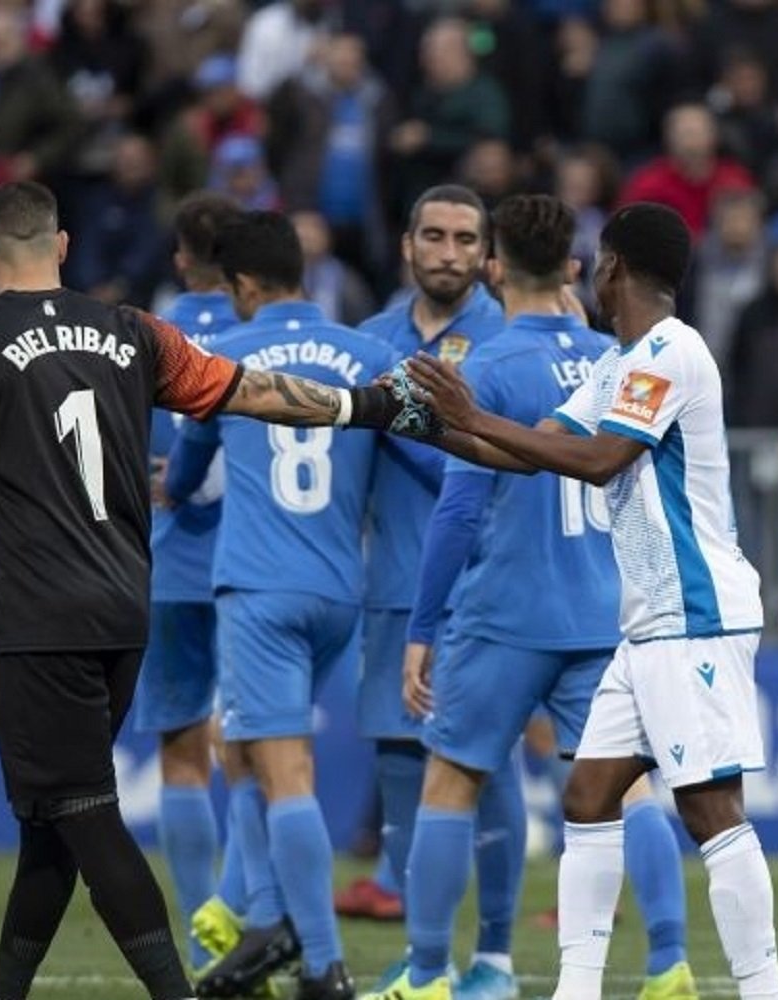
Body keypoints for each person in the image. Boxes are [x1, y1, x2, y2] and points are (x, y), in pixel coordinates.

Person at [0, 182, 424, 1000]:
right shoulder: (132, 331)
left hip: (35, 617)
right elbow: (252, 389)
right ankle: (3, 993)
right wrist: (367, 403)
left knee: (84, 815)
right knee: (51, 821)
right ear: (62, 246)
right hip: (120, 609)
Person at [406, 202, 778, 1000]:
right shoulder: (620, 360)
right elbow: (525, 449)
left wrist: (472, 412)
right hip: (643, 625)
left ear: (611, 267)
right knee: (587, 795)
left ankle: (763, 989)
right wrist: (420, 420)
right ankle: (577, 987)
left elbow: (601, 459)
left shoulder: (671, 354)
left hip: (694, 614)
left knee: (709, 808)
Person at [369, 194, 699, 1000]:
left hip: (505, 612)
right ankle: (667, 965)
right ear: (575, 269)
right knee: (632, 787)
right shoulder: (620, 359)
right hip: (602, 610)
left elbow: (457, 508)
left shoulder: (484, 368)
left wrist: (422, 627)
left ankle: (424, 975)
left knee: (451, 782)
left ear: (493, 267)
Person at [169, 210, 400, 1000]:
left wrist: (175, 496)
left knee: (281, 770)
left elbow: (186, 474)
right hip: (341, 587)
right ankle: (266, 914)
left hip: (260, 589)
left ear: (241, 284)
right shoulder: (371, 354)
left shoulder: (225, 356)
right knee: (245, 755)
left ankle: (322, 964)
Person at [345, 184, 517, 949]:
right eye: (435, 236)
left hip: (488, 590)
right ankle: (415, 927)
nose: (449, 253)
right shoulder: (367, 338)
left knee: (488, 760)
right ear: (408, 244)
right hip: (393, 587)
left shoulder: (510, 338)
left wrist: (401, 420)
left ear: (486, 255)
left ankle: (497, 941)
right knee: (397, 751)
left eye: (464, 240)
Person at [132, 192, 244, 974]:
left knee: (179, 748)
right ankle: (243, 909)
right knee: (254, 748)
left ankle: (200, 913)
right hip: (252, 564)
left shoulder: (141, 335)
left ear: (180, 258)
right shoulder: (259, 331)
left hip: (170, 563)